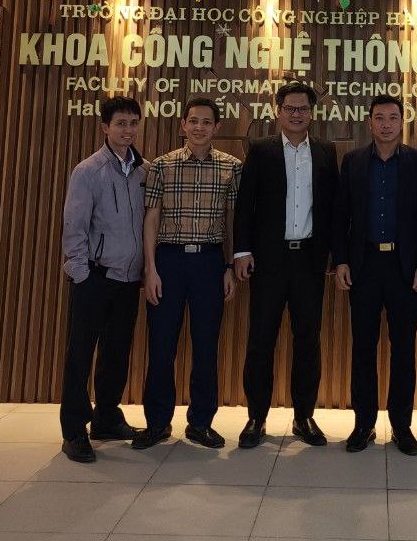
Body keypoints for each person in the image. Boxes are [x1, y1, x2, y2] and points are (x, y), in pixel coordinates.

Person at [234, 82, 340, 449]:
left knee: (308, 340)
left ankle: (303, 416)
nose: (297, 114)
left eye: (303, 109)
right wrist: (242, 251)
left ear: (312, 112)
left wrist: (334, 254)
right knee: (261, 340)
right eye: (290, 108)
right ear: (278, 112)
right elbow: (245, 205)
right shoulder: (261, 150)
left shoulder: (326, 152)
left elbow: (332, 208)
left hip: (309, 260)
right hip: (268, 261)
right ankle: (256, 417)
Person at [132, 98, 242, 451]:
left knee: (206, 346)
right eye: (193, 121)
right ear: (183, 124)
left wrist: (229, 266)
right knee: (161, 346)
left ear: (217, 127)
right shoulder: (162, 166)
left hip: (209, 262)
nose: (199, 127)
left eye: (206, 122)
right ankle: (157, 423)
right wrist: (150, 269)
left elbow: (232, 221)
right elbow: (151, 218)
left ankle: (200, 423)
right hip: (168, 262)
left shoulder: (231, 167)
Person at [333, 95, 417, 456]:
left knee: (403, 349)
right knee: (363, 348)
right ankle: (364, 425)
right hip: (363, 266)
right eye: (379, 118)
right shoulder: (353, 161)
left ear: (402, 121)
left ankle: (401, 427)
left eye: (393, 117)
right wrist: (341, 261)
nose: (386, 124)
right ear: (370, 122)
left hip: (404, 268)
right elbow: (340, 215)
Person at [59, 96, 146, 464]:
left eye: (133, 123)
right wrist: (81, 273)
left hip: (129, 280)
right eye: (120, 123)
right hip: (94, 276)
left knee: (116, 353)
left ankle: (107, 418)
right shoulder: (88, 171)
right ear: (105, 127)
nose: (127, 130)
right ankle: (74, 431)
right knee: (80, 354)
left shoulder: (144, 171)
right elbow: (74, 226)